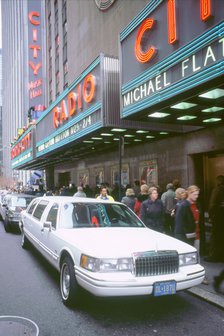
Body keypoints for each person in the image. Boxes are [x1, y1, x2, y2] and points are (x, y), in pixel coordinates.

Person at [206, 175, 224, 262]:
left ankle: (213, 256)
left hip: (218, 216)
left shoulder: (217, 190)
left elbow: (212, 204)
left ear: (218, 182)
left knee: (215, 235)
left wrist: (210, 215)